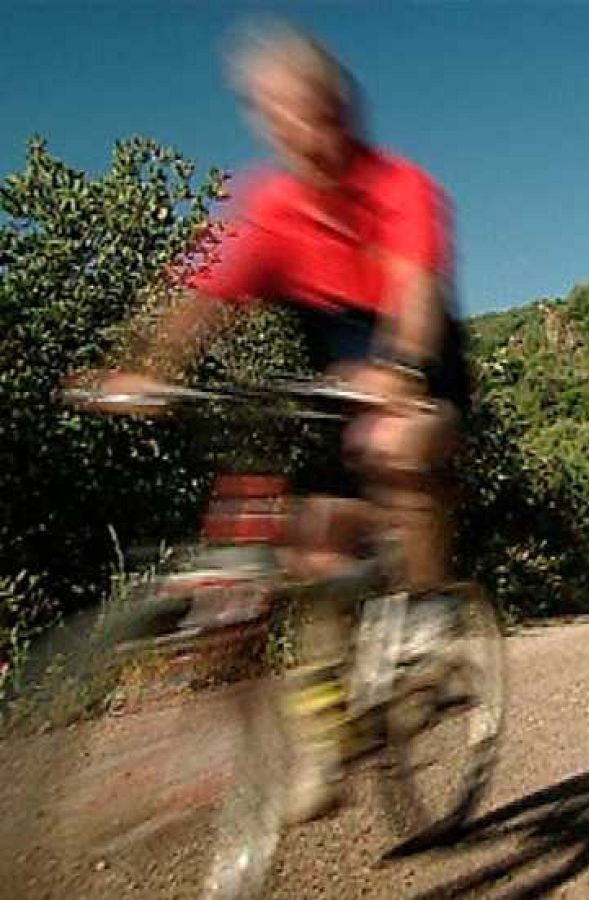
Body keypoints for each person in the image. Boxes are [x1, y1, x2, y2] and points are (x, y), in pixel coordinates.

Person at [90, 22, 470, 823]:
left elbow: (413, 293)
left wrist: (396, 371)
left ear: (341, 109)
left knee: (400, 440)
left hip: (416, 357)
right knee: (307, 547)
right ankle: (329, 738)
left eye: (307, 109)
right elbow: (197, 298)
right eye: (272, 113)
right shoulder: (269, 206)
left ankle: (431, 612)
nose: (293, 128)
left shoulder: (401, 187)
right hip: (334, 379)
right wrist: (146, 372)